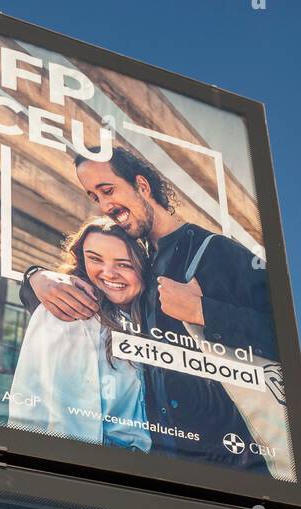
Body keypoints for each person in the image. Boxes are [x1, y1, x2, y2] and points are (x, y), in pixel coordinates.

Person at [20, 147, 278, 464]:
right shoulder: (140, 263)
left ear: (142, 186)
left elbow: (288, 340)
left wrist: (203, 313)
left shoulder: (216, 252)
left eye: (107, 190)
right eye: (94, 197)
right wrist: (35, 277)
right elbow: (82, 295)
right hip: (164, 466)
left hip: (235, 468)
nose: (104, 206)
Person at [9, 216, 151, 452]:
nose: (108, 273)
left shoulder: (151, 323)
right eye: (95, 259)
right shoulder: (68, 315)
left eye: (124, 264)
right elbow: (32, 407)